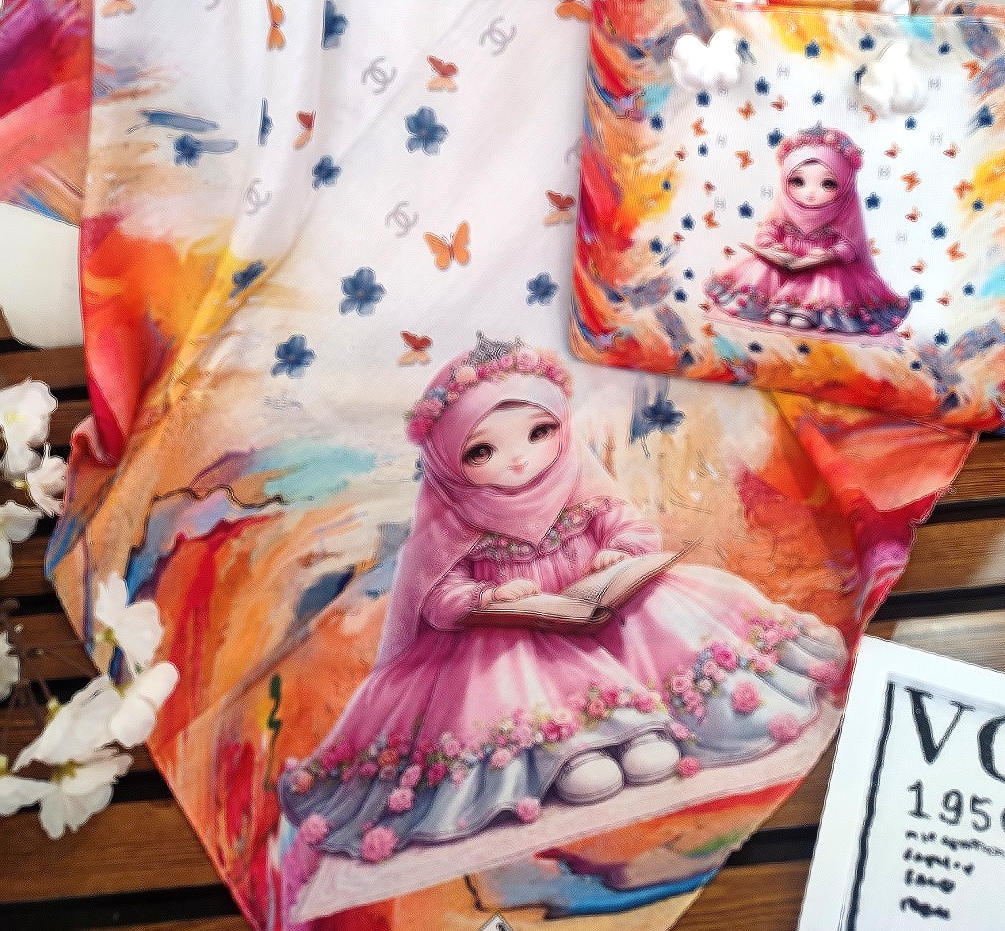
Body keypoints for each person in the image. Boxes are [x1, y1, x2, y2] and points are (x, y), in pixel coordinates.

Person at [278, 334, 845, 866]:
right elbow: (436, 595)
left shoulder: (579, 482)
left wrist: (615, 554)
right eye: (481, 450)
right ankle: (575, 750)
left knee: (664, 611)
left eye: (539, 432)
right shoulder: (451, 519)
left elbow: (632, 529)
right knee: (502, 674)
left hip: (603, 613)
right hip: (517, 638)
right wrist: (487, 597)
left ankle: (650, 728)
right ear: (448, 460)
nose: (518, 459)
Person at [705, 124, 910, 335]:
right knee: (763, 268)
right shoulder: (783, 213)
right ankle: (777, 307)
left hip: (821, 270)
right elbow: (767, 232)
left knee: (827, 279)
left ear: (846, 184)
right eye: (798, 181)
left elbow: (849, 245)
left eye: (828, 184)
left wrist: (829, 254)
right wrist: (773, 247)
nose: (810, 193)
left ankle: (804, 312)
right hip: (783, 268)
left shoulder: (843, 215)